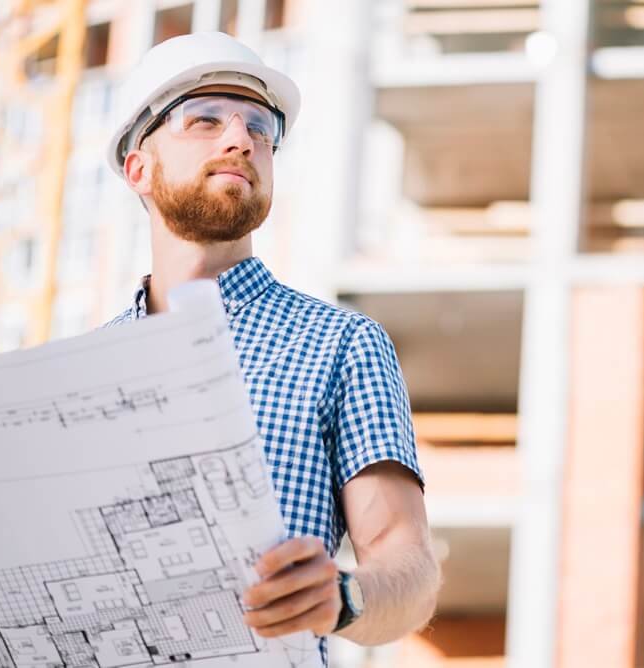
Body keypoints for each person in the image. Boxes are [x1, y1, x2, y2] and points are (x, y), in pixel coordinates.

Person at [103, 32, 439, 665]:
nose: (241, 140)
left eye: (261, 127)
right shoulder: (80, 370)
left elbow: (408, 569)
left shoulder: (341, 344)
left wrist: (342, 598)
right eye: (204, 119)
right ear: (137, 168)